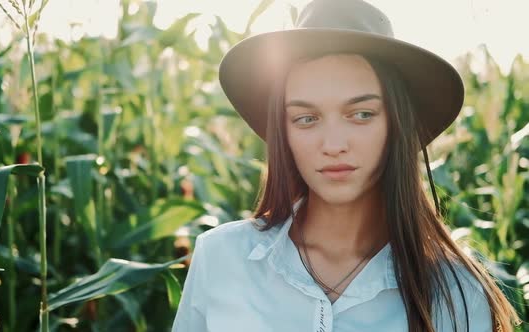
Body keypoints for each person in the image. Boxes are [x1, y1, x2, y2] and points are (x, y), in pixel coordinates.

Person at [171, 0, 522, 331]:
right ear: (284, 132)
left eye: (362, 114)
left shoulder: (459, 291)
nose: (334, 145)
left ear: (397, 125)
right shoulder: (220, 258)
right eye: (306, 118)